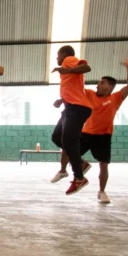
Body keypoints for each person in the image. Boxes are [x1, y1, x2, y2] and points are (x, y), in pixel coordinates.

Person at [51, 57, 128, 202]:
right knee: (67, 146)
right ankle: (63, 170)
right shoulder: (88, 94)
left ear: (109, 87)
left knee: (103, 165)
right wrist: (61, 100)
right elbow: (73, 95)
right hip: (86, 133)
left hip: (103, 135)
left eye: (102, 83)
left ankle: (102, 192)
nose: (98, 84)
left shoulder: (116, 98)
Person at [50, 45, 93, 195]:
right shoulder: (67, 66)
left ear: (64, 54)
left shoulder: (69, 59)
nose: (57, 58)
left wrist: (67, 69)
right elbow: (73, 87)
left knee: (68, 141)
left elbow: (86, 68)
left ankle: (79, 178)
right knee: (56, 137)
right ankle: (80, 163)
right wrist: (61, 100)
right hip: (70, 107)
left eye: (58, 55)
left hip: (78, 108)